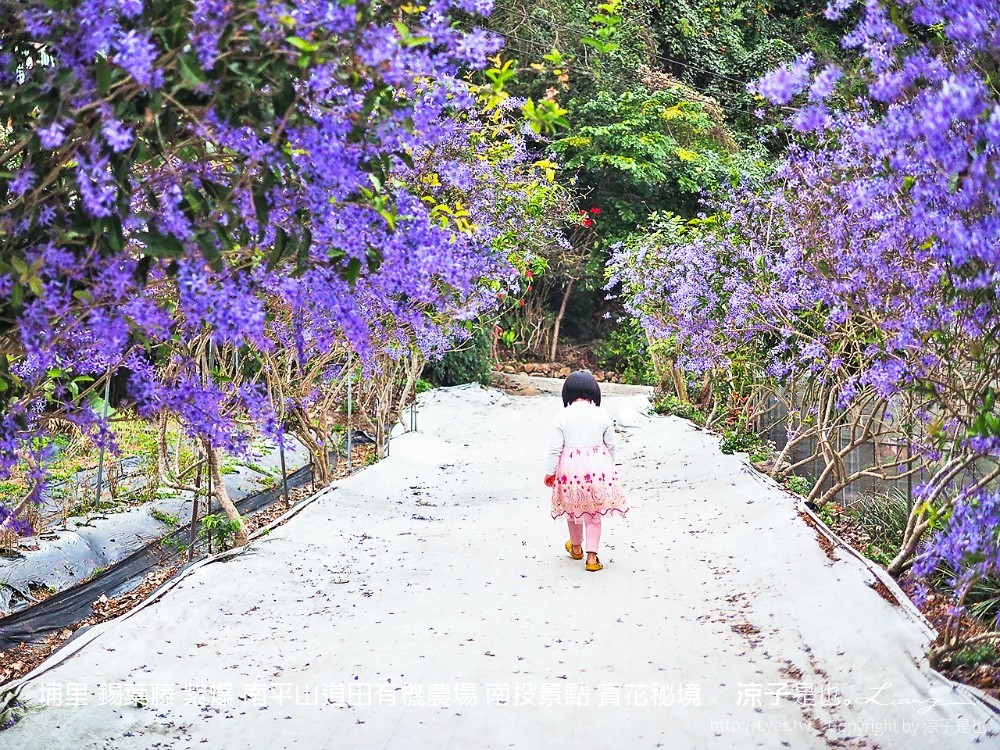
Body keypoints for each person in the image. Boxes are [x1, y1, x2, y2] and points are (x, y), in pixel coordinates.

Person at [544, 370, 629, 572]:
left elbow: (555, 448)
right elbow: (611, 444)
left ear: (568, 392)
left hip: (570, 470)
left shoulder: (562, 415)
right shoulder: (601, 413)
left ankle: (575, 548)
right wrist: (610, 464)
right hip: (598, 469)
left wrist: (550, 472)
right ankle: (592, 558)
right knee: (593, 514)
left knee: (574, 509)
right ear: (593, 391)